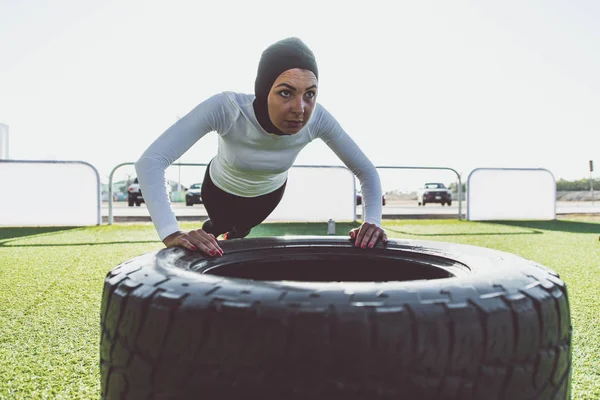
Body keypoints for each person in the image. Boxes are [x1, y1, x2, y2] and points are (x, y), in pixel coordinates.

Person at [135, 37, 387, 257]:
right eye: (286, 93)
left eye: (309, 94)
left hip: (266, 198)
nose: (300, 109)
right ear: (264, 90)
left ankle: (236, 231)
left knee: (240, 231)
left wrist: (372, 222)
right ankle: (214, 229)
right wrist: (170, 232)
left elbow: (366, 170)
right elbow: (151, 161)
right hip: (219, 190)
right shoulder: (227, 108)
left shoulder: (319, 118)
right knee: (219, 227)